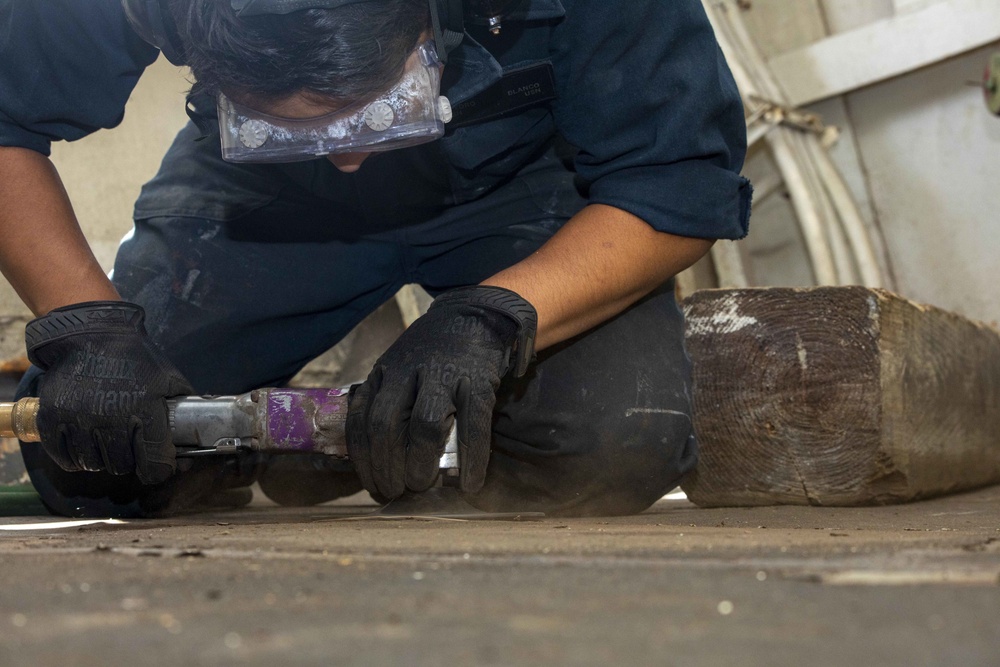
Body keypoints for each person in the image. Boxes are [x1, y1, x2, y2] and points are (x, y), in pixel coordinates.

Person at [0, 0, 751, 517]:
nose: (351, 158)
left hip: (513, 179)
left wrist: (494, 320)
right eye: (287, 123)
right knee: (92, 457)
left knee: (616, 441)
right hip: (260, 202)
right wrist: (88, 331)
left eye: (381, 109)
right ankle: (298, 438)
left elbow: (679, 178)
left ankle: (354, 437)